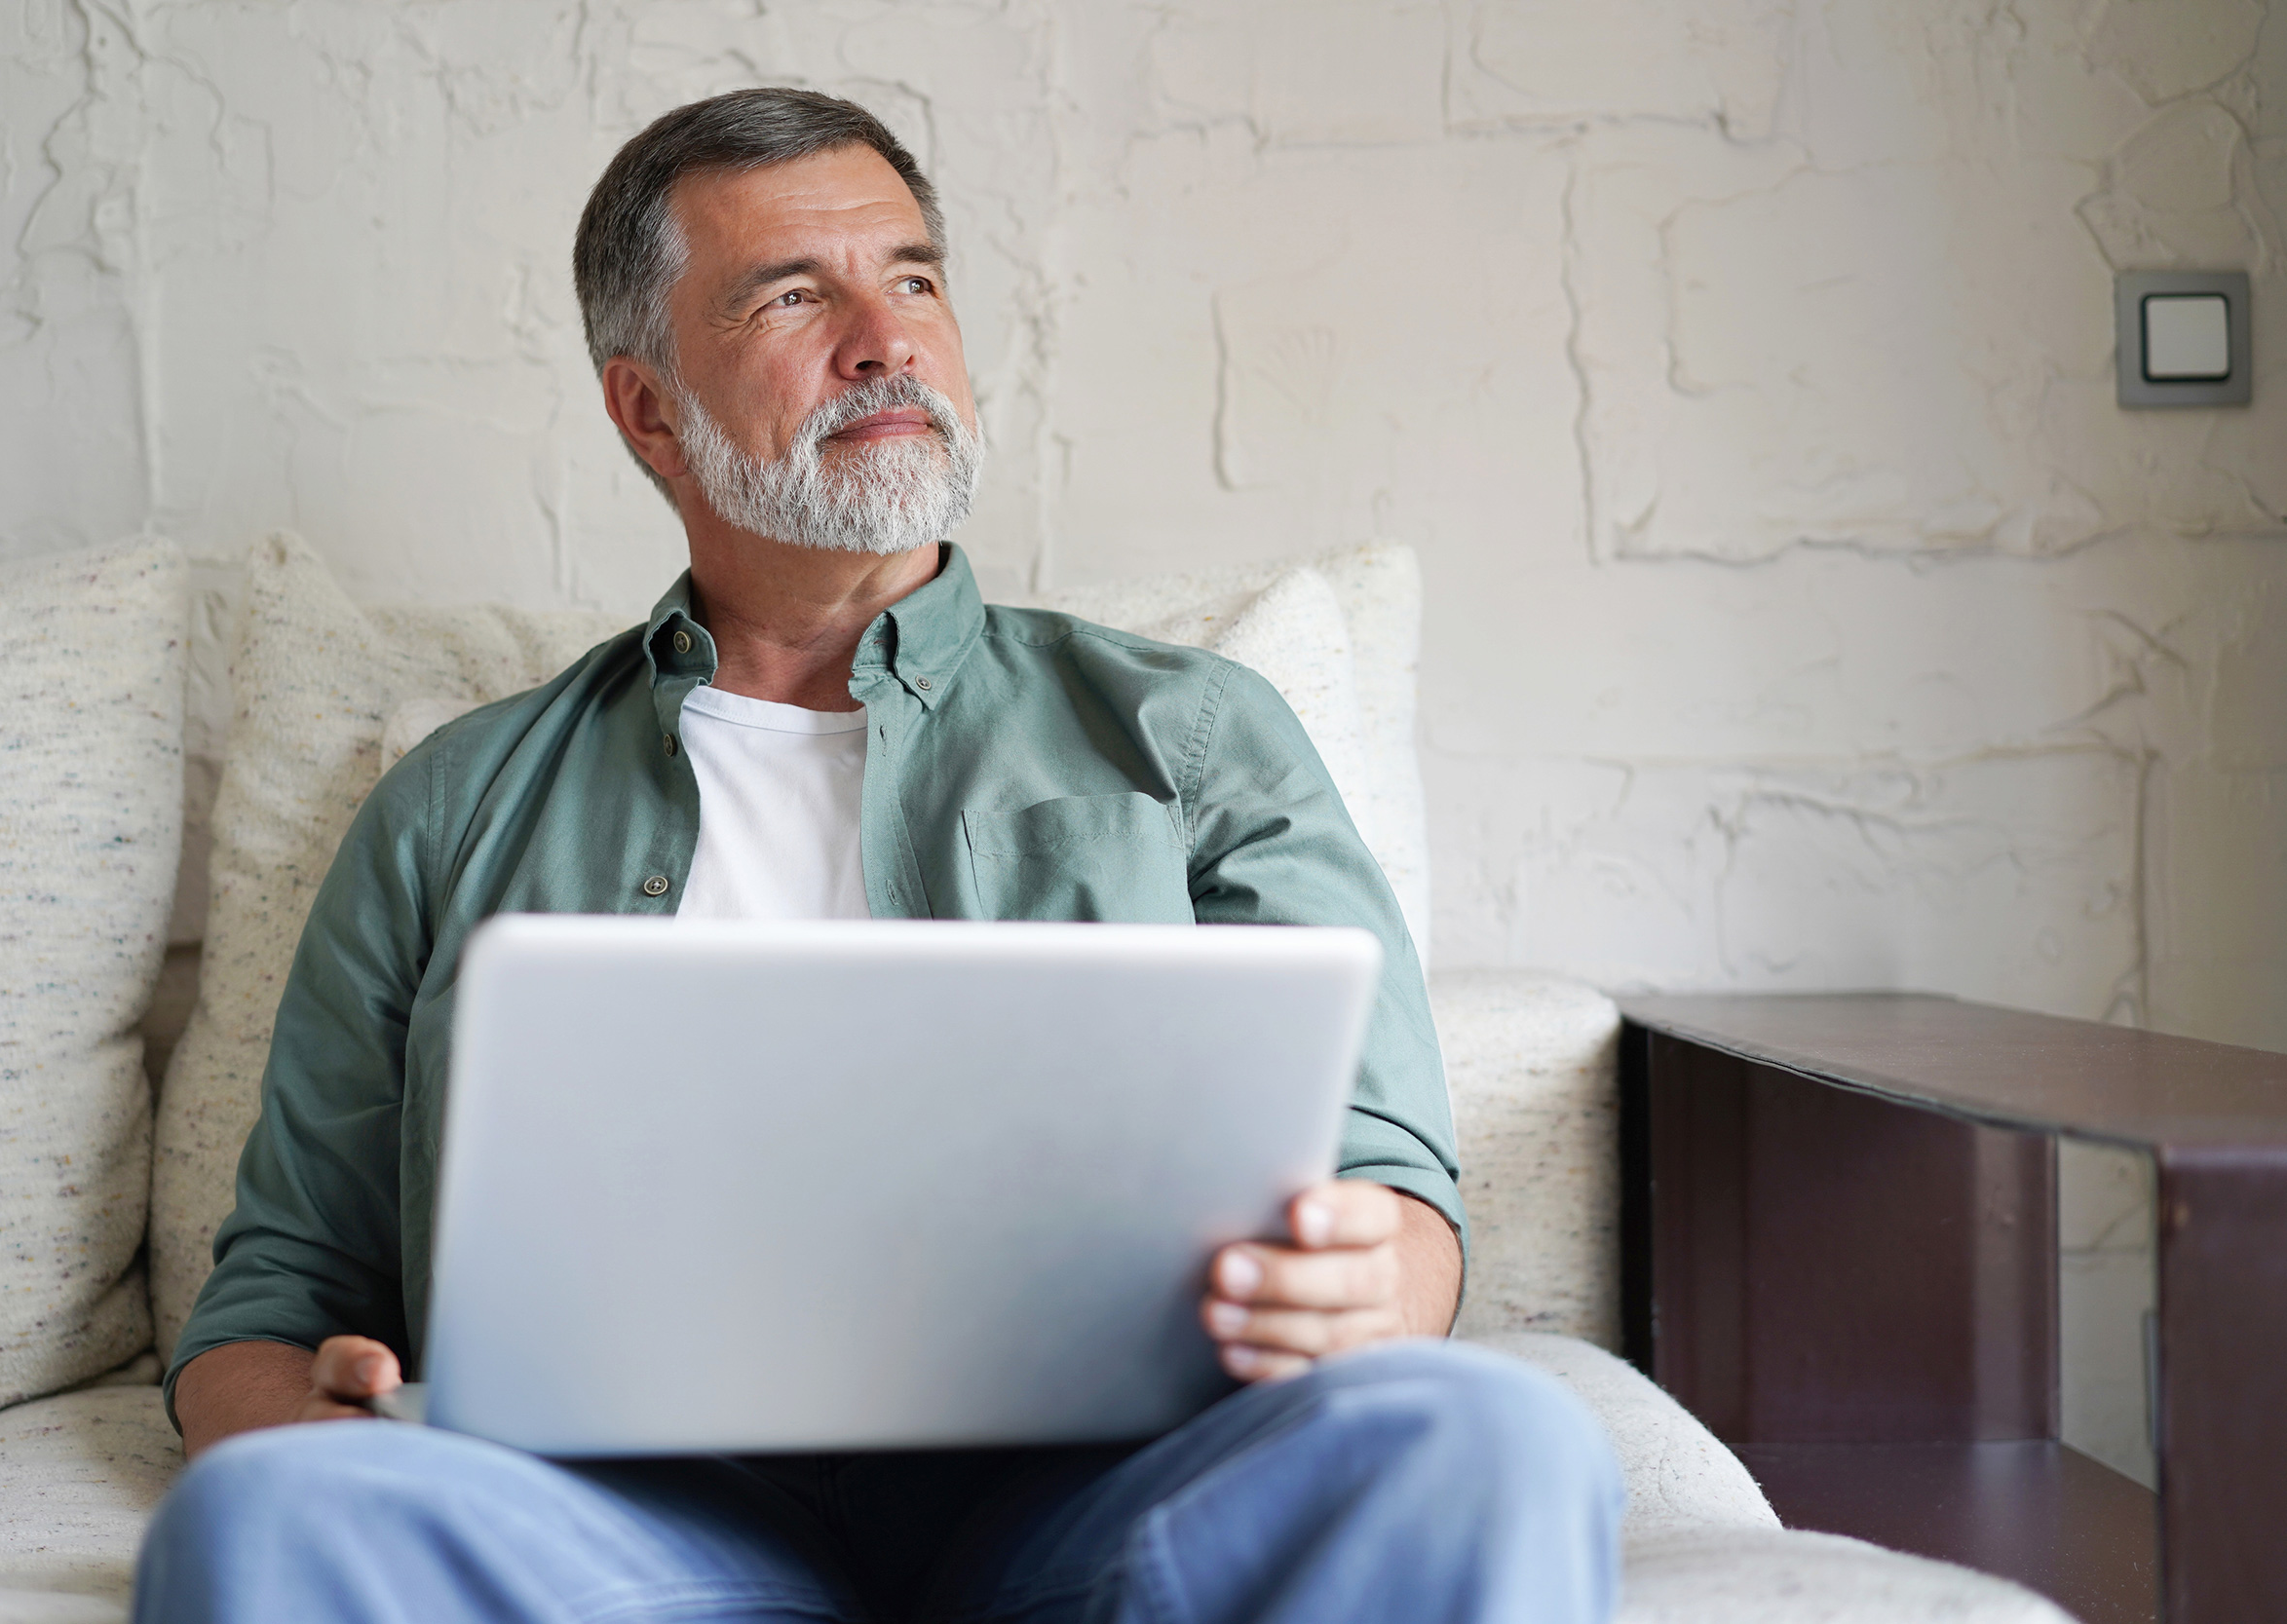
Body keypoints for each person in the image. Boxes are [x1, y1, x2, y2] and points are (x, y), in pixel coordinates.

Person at [133, 88, 1622, 1623]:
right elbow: (269, 1305)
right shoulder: (451, 806)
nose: (886, 338)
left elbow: (1395, 1191)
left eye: (912, 279)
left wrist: (1376, 1279)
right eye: (795, 296)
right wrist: (310, 1424)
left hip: (1112, 1491)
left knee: (1490, 1441)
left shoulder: (1194, 734)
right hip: (624, 1529)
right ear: (648, 409)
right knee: (263, 1523)